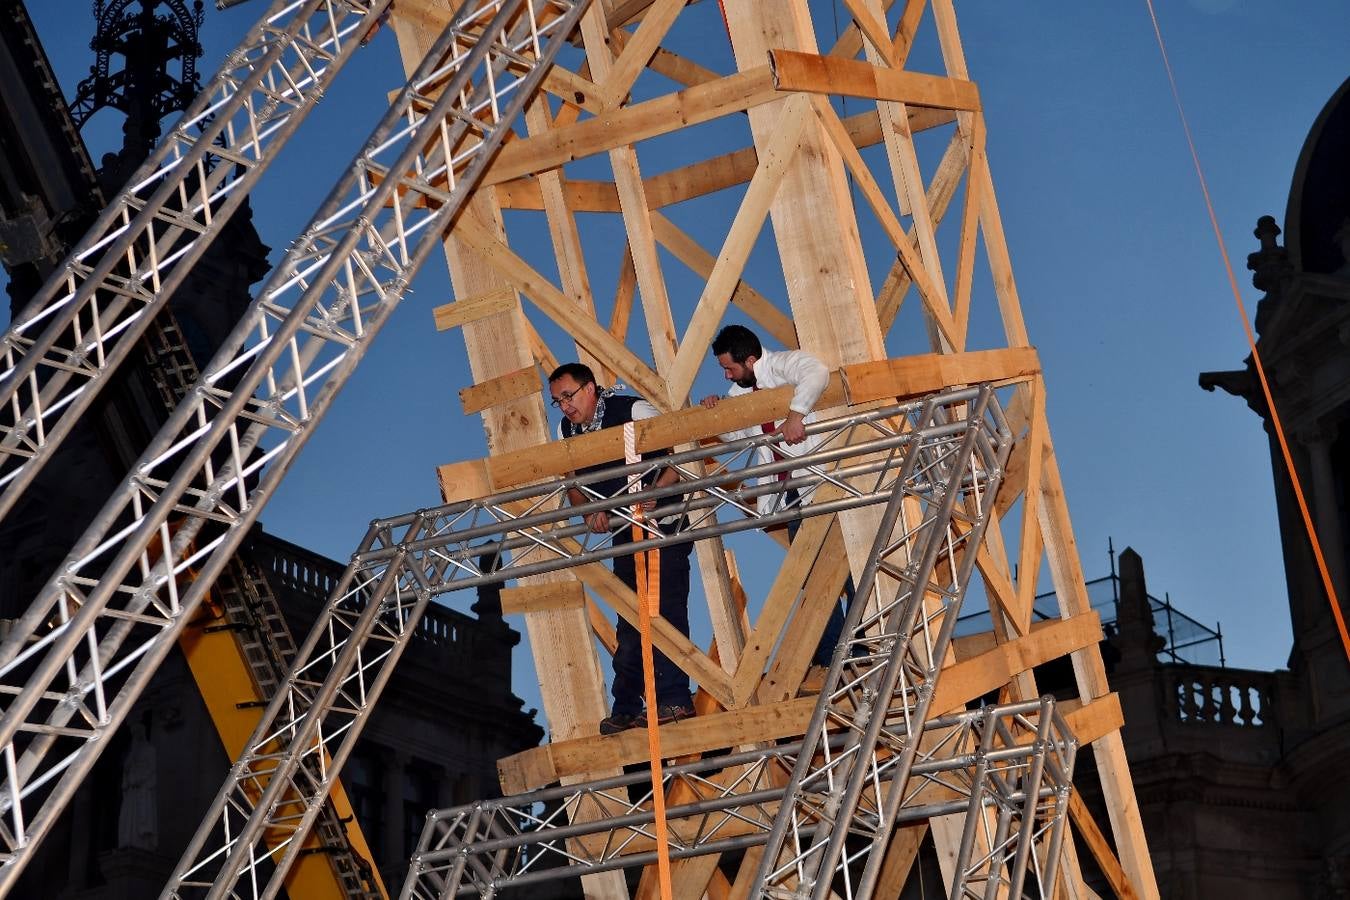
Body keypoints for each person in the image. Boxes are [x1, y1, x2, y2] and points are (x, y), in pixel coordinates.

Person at [548, 363, 695, 734]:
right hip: (625, 530)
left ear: (590, 388)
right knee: (630, 620)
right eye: (557, 401)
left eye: (568, 396)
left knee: (665, 610)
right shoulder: (567, 430)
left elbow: (682, 455)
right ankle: (627, 706)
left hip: (663, 525)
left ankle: (674, 699)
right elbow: (570, 478)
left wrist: (654, 491)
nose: (564, 407)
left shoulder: (633, 411)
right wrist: (586, 506)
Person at [699, 324, 850, 666]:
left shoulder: (783, 365)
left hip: (823, 483)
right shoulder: (740, 394)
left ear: (750, 360)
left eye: (729, 368)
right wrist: (716, 413)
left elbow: (817, 371)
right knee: (808, 577)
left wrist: (796, 415)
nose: (726, 375)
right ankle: (829, 654)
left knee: (846, 567)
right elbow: (740, 437)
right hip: (792, 494)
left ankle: (856, 648)